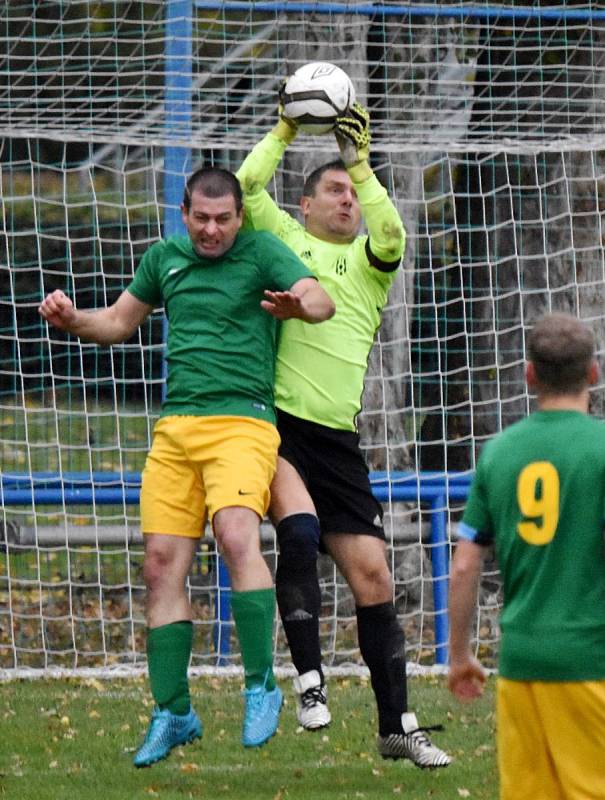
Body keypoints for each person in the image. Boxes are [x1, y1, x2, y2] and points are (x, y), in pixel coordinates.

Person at [38, 167, 335, 767]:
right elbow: (119, 323)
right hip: (176, 429)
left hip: (243, 423)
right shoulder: (165, 258)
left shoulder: (261, 251)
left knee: (234, 532)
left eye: (224, 219)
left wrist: (298, 304)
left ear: (239, 217)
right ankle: (173, 712)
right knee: (159, 566)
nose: (212, 229)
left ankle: (260, 687)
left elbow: (320, 298)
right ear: (184, 211)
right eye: (201, 217)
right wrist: (73, 320)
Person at [236, 102, 451, 768]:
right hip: (275, 424)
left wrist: (359, 161)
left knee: (373, 576)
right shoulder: (281, 243)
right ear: (302, 206)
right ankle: (307, 683)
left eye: (352, 194)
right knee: (298, 533)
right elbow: (245, 187)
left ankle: (397, 725)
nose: (348, 201)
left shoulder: (366, 265)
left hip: (335, 438)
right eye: (334, 190)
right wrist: (284, 129)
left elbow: (391, 233)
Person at [448, 312, 605, 800]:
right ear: (594, 373)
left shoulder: (499, 453)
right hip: (590, 659)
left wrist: (458, 655)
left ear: (530, 374)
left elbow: (465, 563)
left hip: (521, 662)